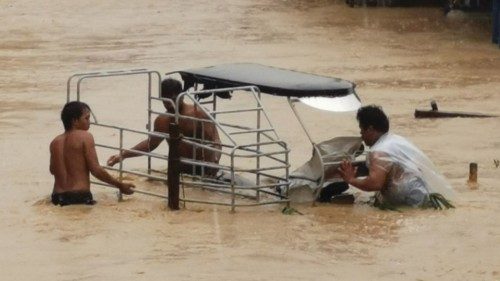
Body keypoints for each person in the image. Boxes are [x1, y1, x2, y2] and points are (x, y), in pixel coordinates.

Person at [338, 105, 453, 207]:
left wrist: (351, 179)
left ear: (370, 129)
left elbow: (375, 183)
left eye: (361, 129)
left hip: (410, 202)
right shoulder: (395, 140)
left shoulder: (378, 152)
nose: (361, 134)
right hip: (423, 194)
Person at [107, 78, 221, 176]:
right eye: (165, 100)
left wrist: (215, 161)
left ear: (181, 96)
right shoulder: (163, 120)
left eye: (173, 99)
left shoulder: (198, 113)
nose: (169, 103)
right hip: (179, 170)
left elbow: (216, 141)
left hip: (205, 169)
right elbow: (150, 144)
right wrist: (123, 155)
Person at [50, 101, 135, 206]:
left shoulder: (55, 142)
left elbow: (53, 170)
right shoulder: (85, 136)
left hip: (57, 197)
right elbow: (96, 170)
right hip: (79, 196)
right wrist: (120, 185)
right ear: (75, 121)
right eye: (86, 118)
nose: (89, 122)